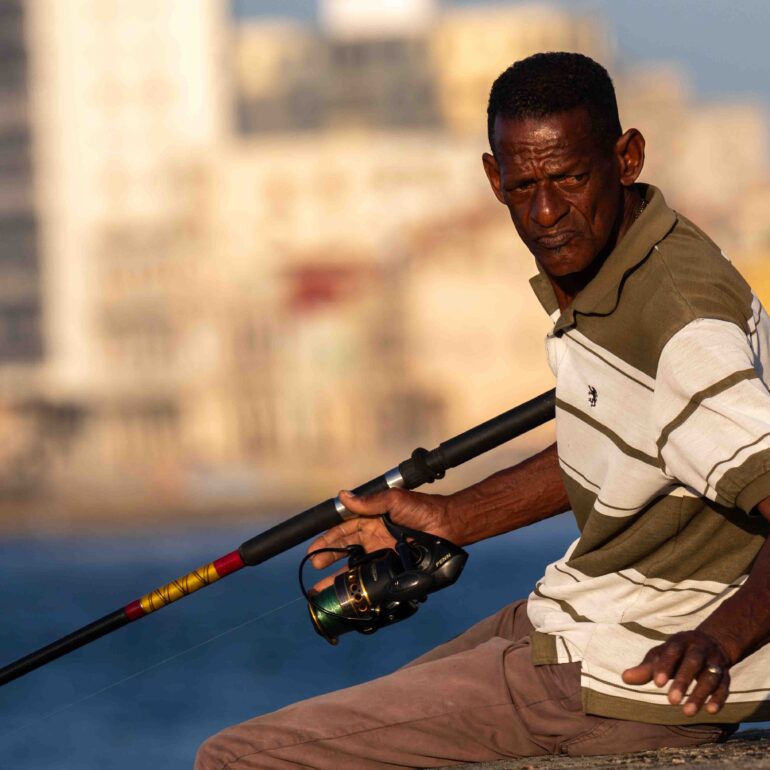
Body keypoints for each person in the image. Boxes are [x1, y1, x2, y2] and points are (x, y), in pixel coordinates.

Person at [196, 52, 770, 770]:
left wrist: (721, 639)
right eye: (524, 185)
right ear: (494, 178)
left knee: (238, 758)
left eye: (570, 178)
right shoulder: (630, 265)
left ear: (627, 158)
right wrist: (450, 517)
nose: (545, 212)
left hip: (619, 675)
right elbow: (637, 445)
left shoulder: (681, 321)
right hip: (582, 619)